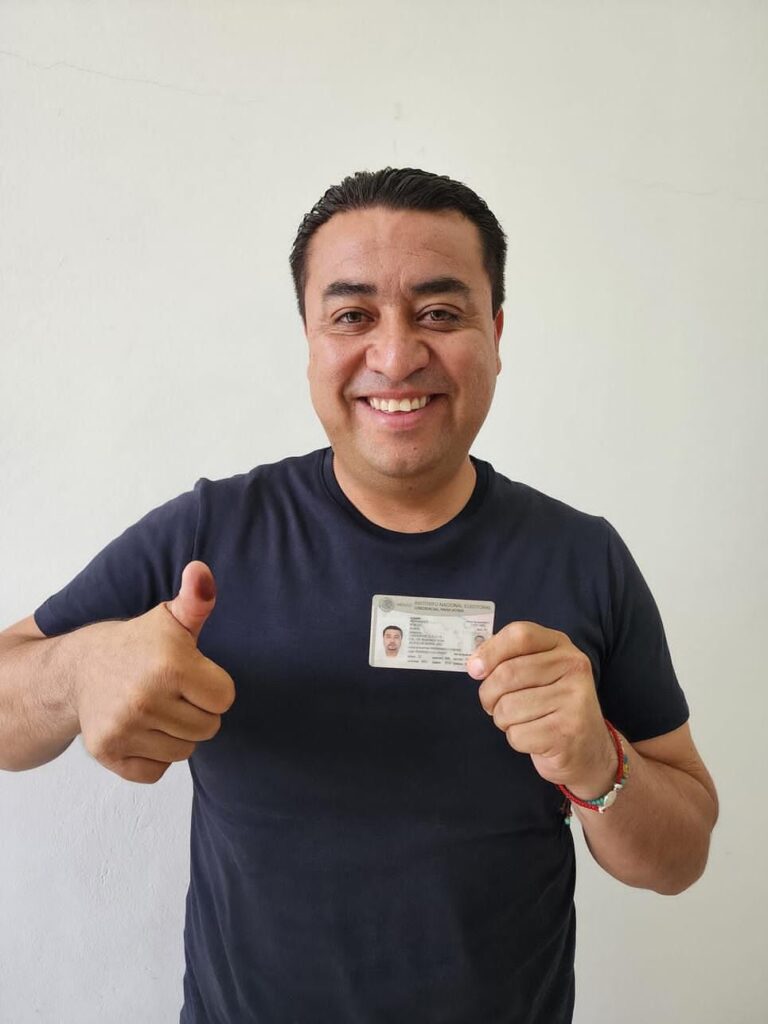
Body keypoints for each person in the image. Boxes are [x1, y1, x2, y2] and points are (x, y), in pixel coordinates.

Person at [0, 167, 719, 1024]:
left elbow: (680, 858)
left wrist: (601, 764)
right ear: (309, 338)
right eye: (352, 316)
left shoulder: (584, 557)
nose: (396, 355)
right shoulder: (210, 533)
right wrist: (78, 671)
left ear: (495, 332)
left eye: (440, 313)